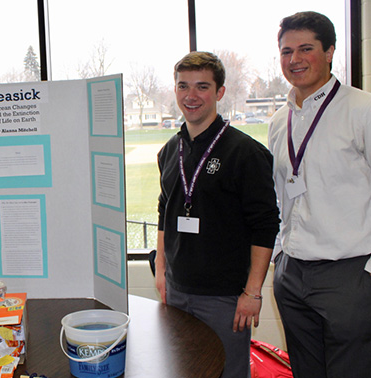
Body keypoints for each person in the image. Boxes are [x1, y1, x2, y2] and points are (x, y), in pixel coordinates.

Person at [155, 51, 280, 378]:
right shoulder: (170, 150)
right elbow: (164, 209)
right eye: (183, 86)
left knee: (227, 372)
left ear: (219, 92)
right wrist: (160, 270)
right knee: (182, 370)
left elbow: (265, 225)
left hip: (225, 298)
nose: (190, 96)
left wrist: (252, 292)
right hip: (177, 290)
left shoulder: (246, 153)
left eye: (202, 87)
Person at [268, 11, 371, 377]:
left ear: (329, 51)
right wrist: (281, 258)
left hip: (349, 273)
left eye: (305, 48)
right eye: (286, 51)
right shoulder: (280, 120)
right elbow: (281, 194)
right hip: (292, 273)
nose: (294, 60)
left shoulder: (362, 110)